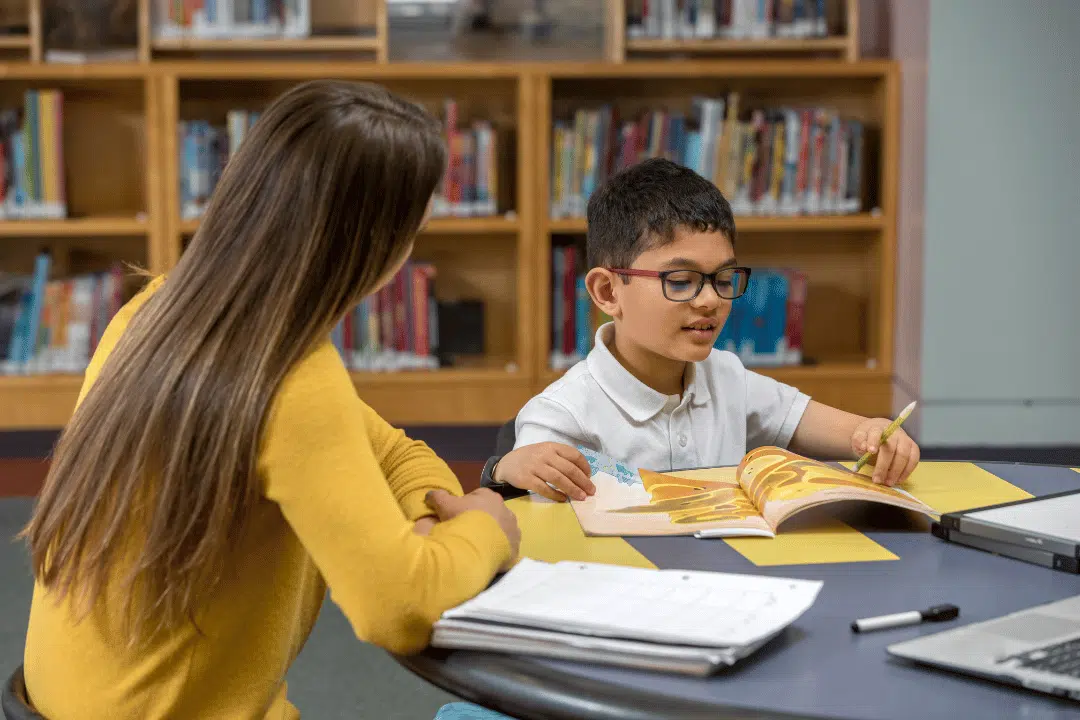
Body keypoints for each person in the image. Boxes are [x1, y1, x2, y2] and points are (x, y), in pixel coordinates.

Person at [18, 79, 520, 719]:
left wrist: (426, 514)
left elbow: (388, 448)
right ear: (373, 244)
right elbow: (402, 608)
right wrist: (486, 526)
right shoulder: (290, 378)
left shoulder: (157, 313)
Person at [485, 157, 920, 502]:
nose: (710, 300)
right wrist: (510, 467)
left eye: (723, 278)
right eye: (680, 281)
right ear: (607, 291)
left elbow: (832, 427)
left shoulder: (725, 375)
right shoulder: (563, 413)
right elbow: (524, 480)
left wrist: (876, 435)